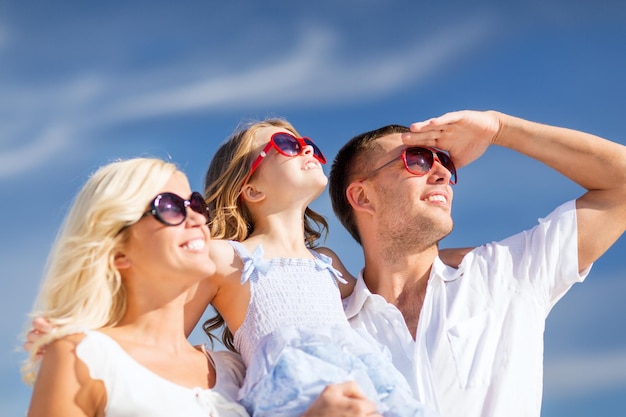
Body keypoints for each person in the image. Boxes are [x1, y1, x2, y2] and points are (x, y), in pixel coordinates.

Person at [328, 110, 626, 417]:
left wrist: (499, 128)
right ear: (362, 197)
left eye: (445, 163)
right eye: (417, 160)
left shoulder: (507, 273)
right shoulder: (330, 328)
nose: (443, 174)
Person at [181, 119, 436, 417]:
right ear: (251, 190)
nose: (306, 150)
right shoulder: (227, 257)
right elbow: (163, 338)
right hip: (295, 401)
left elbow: (390, 290)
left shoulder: (327, 262)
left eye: (308, 145)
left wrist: (455, 257)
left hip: (366, 390)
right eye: (287, 145)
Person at [21, 157, 249, 417]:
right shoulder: (84, 356)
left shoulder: (236, 370)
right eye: (170, 206)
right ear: (118, 252)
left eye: (195, 204)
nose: (197, 218)